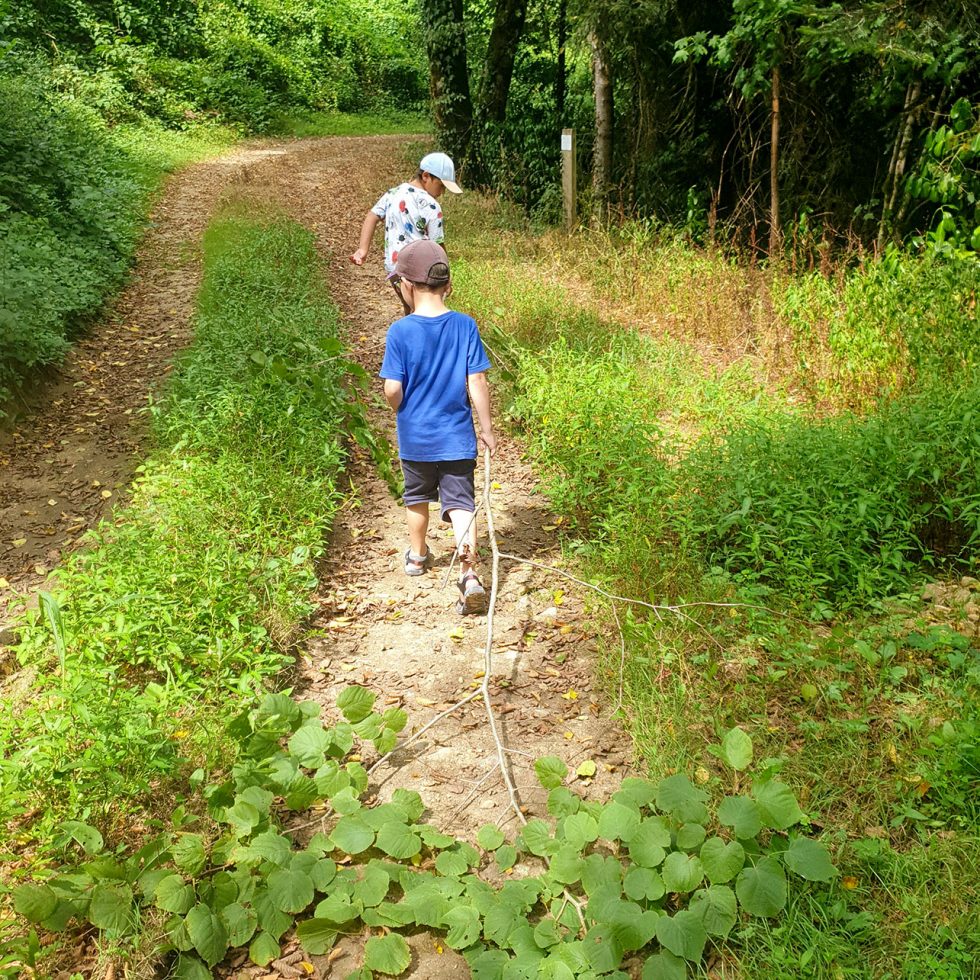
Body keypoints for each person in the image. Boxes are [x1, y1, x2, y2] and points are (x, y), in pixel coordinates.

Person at [379, 239, 496, 615]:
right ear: (447, 284)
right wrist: (487, 428)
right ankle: (470, 574)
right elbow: (477, 381)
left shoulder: (400, 332)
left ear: (407, 286)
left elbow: (392, 389)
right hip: (457, 438)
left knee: (417, 497)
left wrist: (398, 407)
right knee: (461, 503)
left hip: (415, 437)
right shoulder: (464, 325)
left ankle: (417, 556)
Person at [350, 152, 462, 314]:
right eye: (441, 186)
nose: (442, 192)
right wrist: (446, 276)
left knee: (411, 309)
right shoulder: (432, 206)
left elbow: (372, 216)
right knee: (425, 312)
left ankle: (406, 337)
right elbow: (437, 245)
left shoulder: (393, 193)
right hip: (423, 271)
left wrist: (363, 249)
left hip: (395, 268)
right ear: (426, 176)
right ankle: (418, 339)